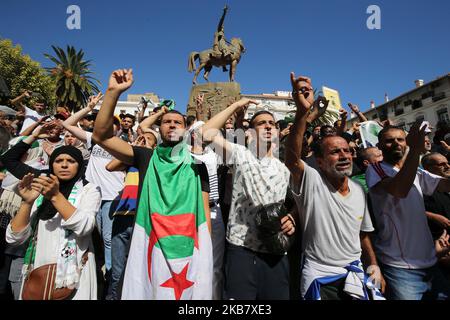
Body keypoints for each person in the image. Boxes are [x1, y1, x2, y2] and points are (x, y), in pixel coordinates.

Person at [93, 69, 212, 300]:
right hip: (151, 239)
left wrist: (206, 251)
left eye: (178, 122)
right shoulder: (145, 156)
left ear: (186, 129)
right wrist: (113, 93)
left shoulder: (199, 165)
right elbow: (101, 137)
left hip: (189, 245)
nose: (172, 125)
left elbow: (204, 212)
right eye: (166, 121)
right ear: (159, 128)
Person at [285, 72, 385, 300]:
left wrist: (374, 266)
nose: (344, 155)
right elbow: (291, 159)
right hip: (319, 277)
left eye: (347, 151)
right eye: (335, 151)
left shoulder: (359, 190)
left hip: (356, 274)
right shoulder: (311, 180)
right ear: (319, 162)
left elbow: (364, 235)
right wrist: (303, 113)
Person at [201, 96, 295, 300]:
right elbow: (205, 133)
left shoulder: (285, 169)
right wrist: (235, 106)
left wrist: (292, 219)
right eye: (261, 123)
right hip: (241, 249)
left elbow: (295, 206)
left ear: (278, 132)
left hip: (276, 251)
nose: (268, 126)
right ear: (250, 132)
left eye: (272, 123)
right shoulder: (240, 154)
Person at [1, 125, 101, 300]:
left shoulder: (89, 190)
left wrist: (55, 196)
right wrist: (27, 202)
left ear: (79, 166)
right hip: (39, 272)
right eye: (58, 160)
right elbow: (14, 238)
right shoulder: (41, 186)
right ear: (51, 164)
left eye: (70, 161)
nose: (64, 165)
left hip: (75, 273)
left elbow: (84, 227)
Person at [366, 123, 450, 300]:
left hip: (430, 262)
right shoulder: (375, 169)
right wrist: (415, 151)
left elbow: (445, 184)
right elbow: (399, 190)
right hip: (399, 267)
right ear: (379, 146)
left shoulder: (417, 172)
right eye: (389, 141)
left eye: (400, 139)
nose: (396, 143)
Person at [421, 153, 450, 239]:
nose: (448, 166)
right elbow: (410, 210)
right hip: (439, 241)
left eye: (448, 163)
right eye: (442, 164)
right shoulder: (423, 189)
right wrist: (432, 216)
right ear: (428, 168)